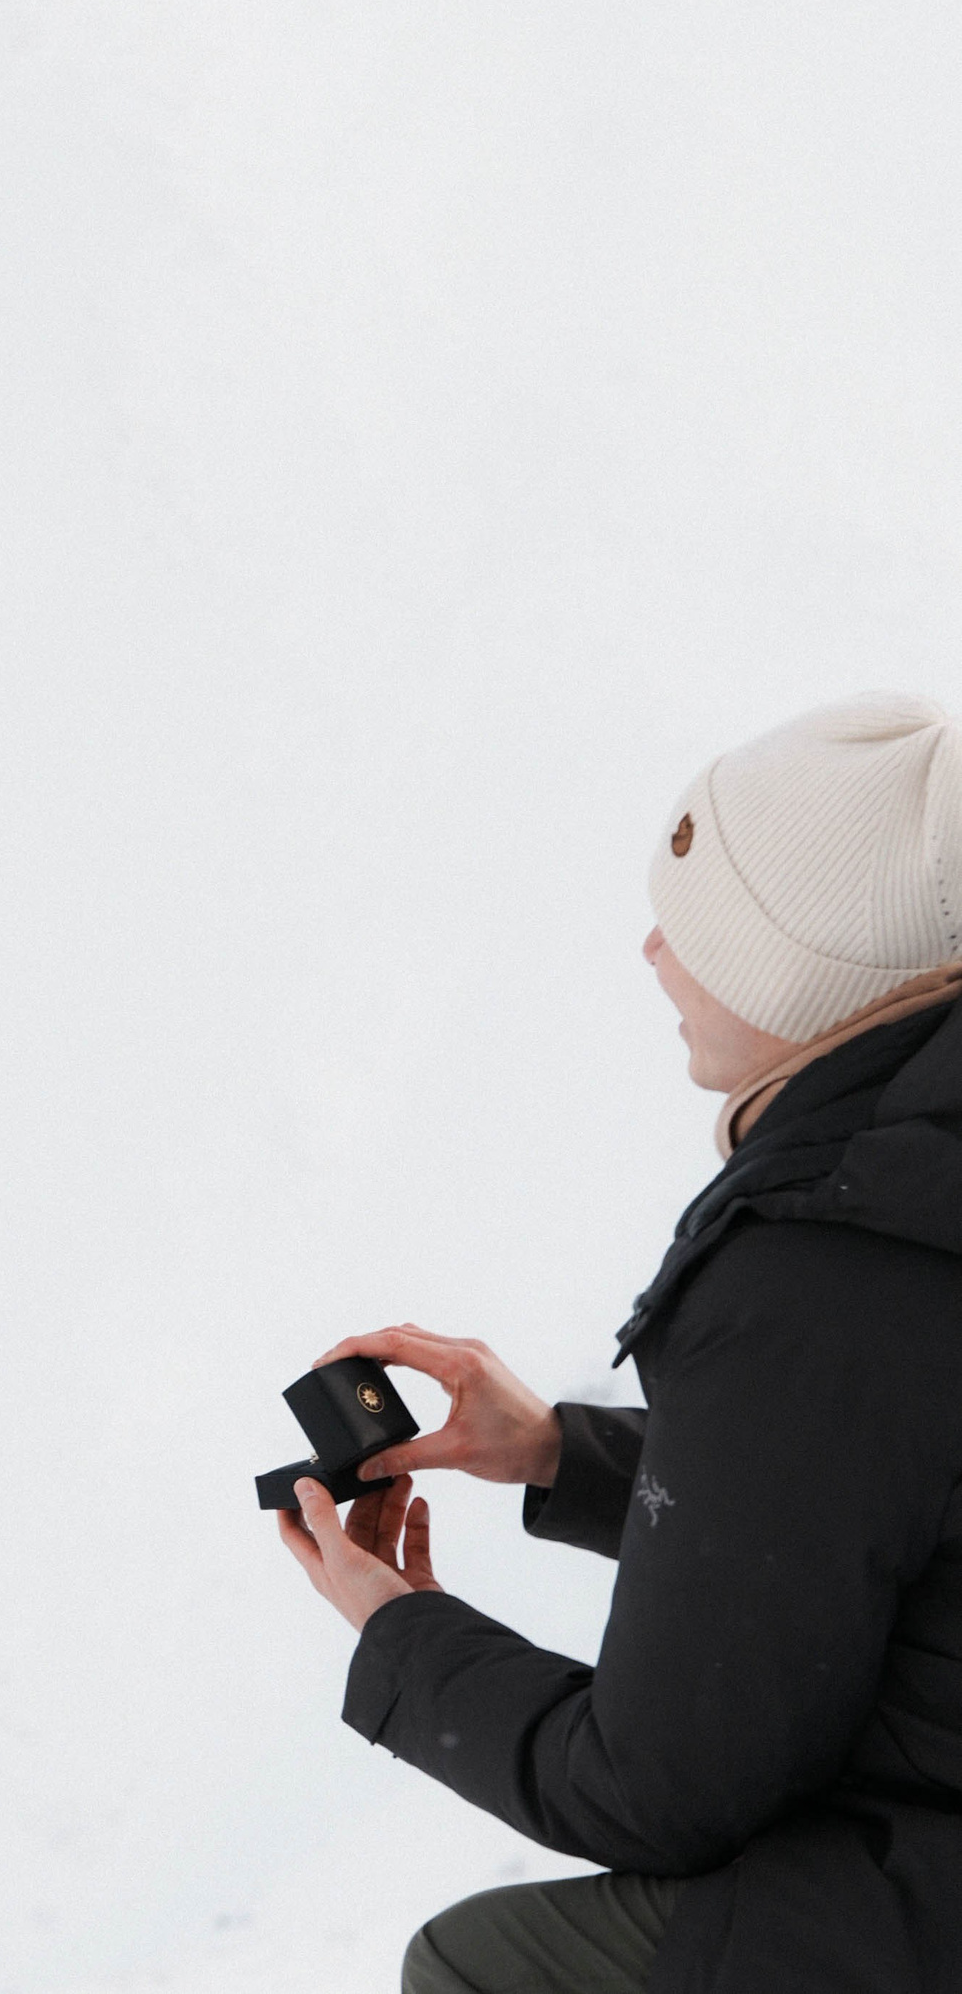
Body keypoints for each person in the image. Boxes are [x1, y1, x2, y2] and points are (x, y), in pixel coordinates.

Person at [276, 696, 962, 1994]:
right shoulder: (916, 1190)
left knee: (493, 1970)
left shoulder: (825, 1262)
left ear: (815, 972)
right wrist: (557, 1454)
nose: (652, 950)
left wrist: (402, 1635)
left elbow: (661, 1791)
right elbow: (873, 1473)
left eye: (702, 932)